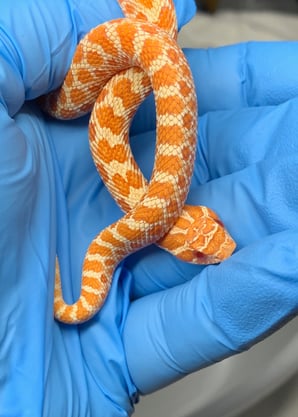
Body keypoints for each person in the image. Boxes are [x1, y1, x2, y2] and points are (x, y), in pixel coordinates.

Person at [0, 0, 297, 416]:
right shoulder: (143, 214)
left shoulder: (142, 207)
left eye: (200, 249)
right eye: (198, 250)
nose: (215, 250)